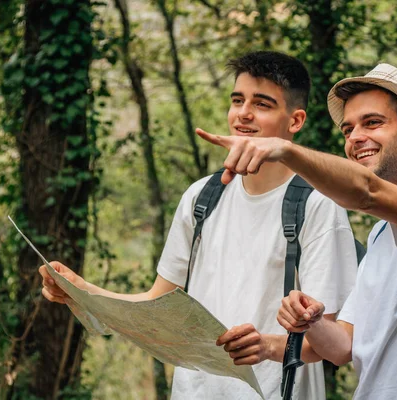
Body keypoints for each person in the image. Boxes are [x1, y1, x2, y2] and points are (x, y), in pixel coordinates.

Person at [39, 51, 357, 400]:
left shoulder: (318, 204)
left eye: (262, 104)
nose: (243, 114)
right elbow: (156, 304)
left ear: (294, 122)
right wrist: (84, 292)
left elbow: (332, 344)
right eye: (238, 100)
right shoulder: (201, 197)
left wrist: (267, 346)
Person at [197, 63, 397, 399]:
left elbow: (365, 192)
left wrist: (284, 150)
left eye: (373, 123)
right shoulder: (383, 233)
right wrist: (297, 328)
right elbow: (344, 346)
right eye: (348, 129)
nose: (355, 138)